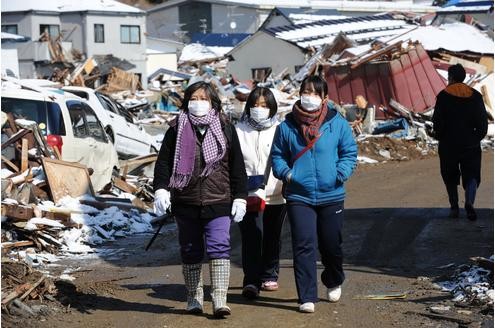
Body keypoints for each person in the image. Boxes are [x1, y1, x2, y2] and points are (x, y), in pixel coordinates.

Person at [153, 81, 248, 317]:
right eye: (193, 98)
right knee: (190, 249)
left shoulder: (225, 128)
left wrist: (240, 197)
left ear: (213, 102)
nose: (198, 103)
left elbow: (237, 166)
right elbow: (163, 163)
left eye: (203, 98)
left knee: (219, 247)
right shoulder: (176, 129)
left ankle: (219, 300)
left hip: (218, 200)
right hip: (186, 201)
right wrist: (161, 189)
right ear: (186, 102)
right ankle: (194, 298)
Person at [271, 75, 357, 313]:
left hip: (332, 194)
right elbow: (277, 155)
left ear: (324, 98)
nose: (309, 97)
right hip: (300, 195)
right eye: (305, 91)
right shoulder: (286, 126)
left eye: (315, 93)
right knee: (303, 245)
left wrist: (339, 173)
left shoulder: (337, 123)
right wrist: (287, 174)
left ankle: (333, 278)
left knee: (331, 244)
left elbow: (349, 151)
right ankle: (307, 296)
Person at [235, 87, 286, 299]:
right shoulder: (238, 130)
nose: (259, 109)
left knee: (273, 235)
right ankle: (251, 280)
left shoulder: (281, 129)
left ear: (272, 107)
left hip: (276, 190)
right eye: (255, 105)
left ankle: (269, 273)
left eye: (264, 105)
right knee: (251, 236)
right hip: (247, 192)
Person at [432, 64, 488, 220]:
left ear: (450, 77)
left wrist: (440, 135)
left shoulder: (443, 96)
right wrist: (476, 139)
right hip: (470, 144)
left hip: (448, 144)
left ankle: (454, 208)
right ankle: (469, 201)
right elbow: (483, 124)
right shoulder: (475, 96)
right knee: (472, 175)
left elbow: (437, 122)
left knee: (449, 174)